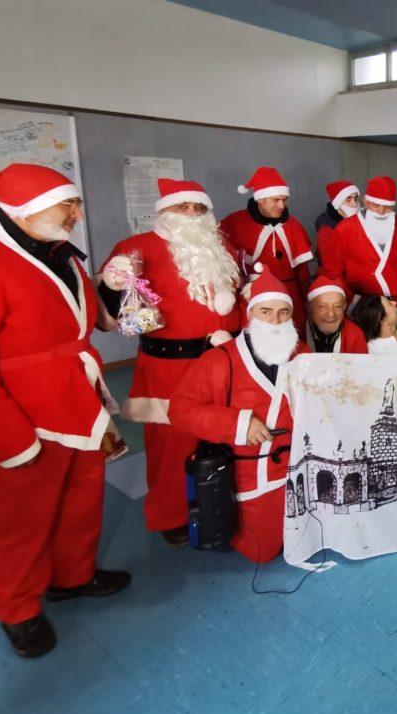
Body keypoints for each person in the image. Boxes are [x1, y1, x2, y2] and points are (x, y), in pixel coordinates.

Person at [0, 163, 130, 658]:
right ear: (27, 208)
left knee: (81, 498)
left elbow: (76, 319)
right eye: (68, 204)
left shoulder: (57, 248)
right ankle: (15, 608)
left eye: (76, 203)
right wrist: (8, 439)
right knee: (18, 519)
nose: (78, 213)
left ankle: (72, 577)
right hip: (18, 412)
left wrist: (113, 288)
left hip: (79, 401)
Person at [100, 178, 242, 546]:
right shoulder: (136, 248)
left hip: (224, 360)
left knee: (226, 432)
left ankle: (227, 502)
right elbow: (111, 314)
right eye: (183, 206)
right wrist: (112, 284)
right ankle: (171, 514)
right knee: (169, 443)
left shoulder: (221, 246)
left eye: (199, 207)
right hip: (167, 366)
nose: (192, 213)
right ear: (164, 211)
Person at [169, 269, 310, 563]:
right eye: (266, 312)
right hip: (249, 480)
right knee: (263, 552)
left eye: (284, 312)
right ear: (250, 315)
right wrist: (239, 424)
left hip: (298, 474)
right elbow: (180, 410)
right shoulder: (219, 360)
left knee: (305, 539)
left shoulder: (304, 355)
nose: (276, 321)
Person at [320, 175, 397, 321]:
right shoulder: (344, 229)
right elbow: (333, 272)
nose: (381, 211)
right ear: (365, 201)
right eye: (376, 205)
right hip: (361, 307)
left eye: (387, 206)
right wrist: (351, 300)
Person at [220, 167, 313, 331]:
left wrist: (307, 300)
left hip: (290, 295)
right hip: (252, 293)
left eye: (284, 200)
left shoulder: (294, 225)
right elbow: (224, 268)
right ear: (260, 199)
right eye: (276, 200)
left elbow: (302, 271)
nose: (282, 205)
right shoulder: (233, 223)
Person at [305, 276, 367, 353]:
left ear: (344, 307)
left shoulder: (355, 334)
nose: (331, 314)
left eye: (337, 306)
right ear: (309, 308)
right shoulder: (296, 333)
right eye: (323, 307)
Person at [313, 179, 359, 266]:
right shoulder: (326, 228)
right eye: (348, 200)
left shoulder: (362, 218)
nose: (355, 205)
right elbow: (331, 262)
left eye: (356, 199)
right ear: (338, 203)